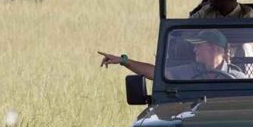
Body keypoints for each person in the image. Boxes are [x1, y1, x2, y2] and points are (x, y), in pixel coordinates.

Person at [98, 29, 245, 80]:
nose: (194, 50)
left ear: (213, 48)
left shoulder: (238, 78)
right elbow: (156, 73)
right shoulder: (190, 71)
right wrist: (125, 61)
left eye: (198, 46)